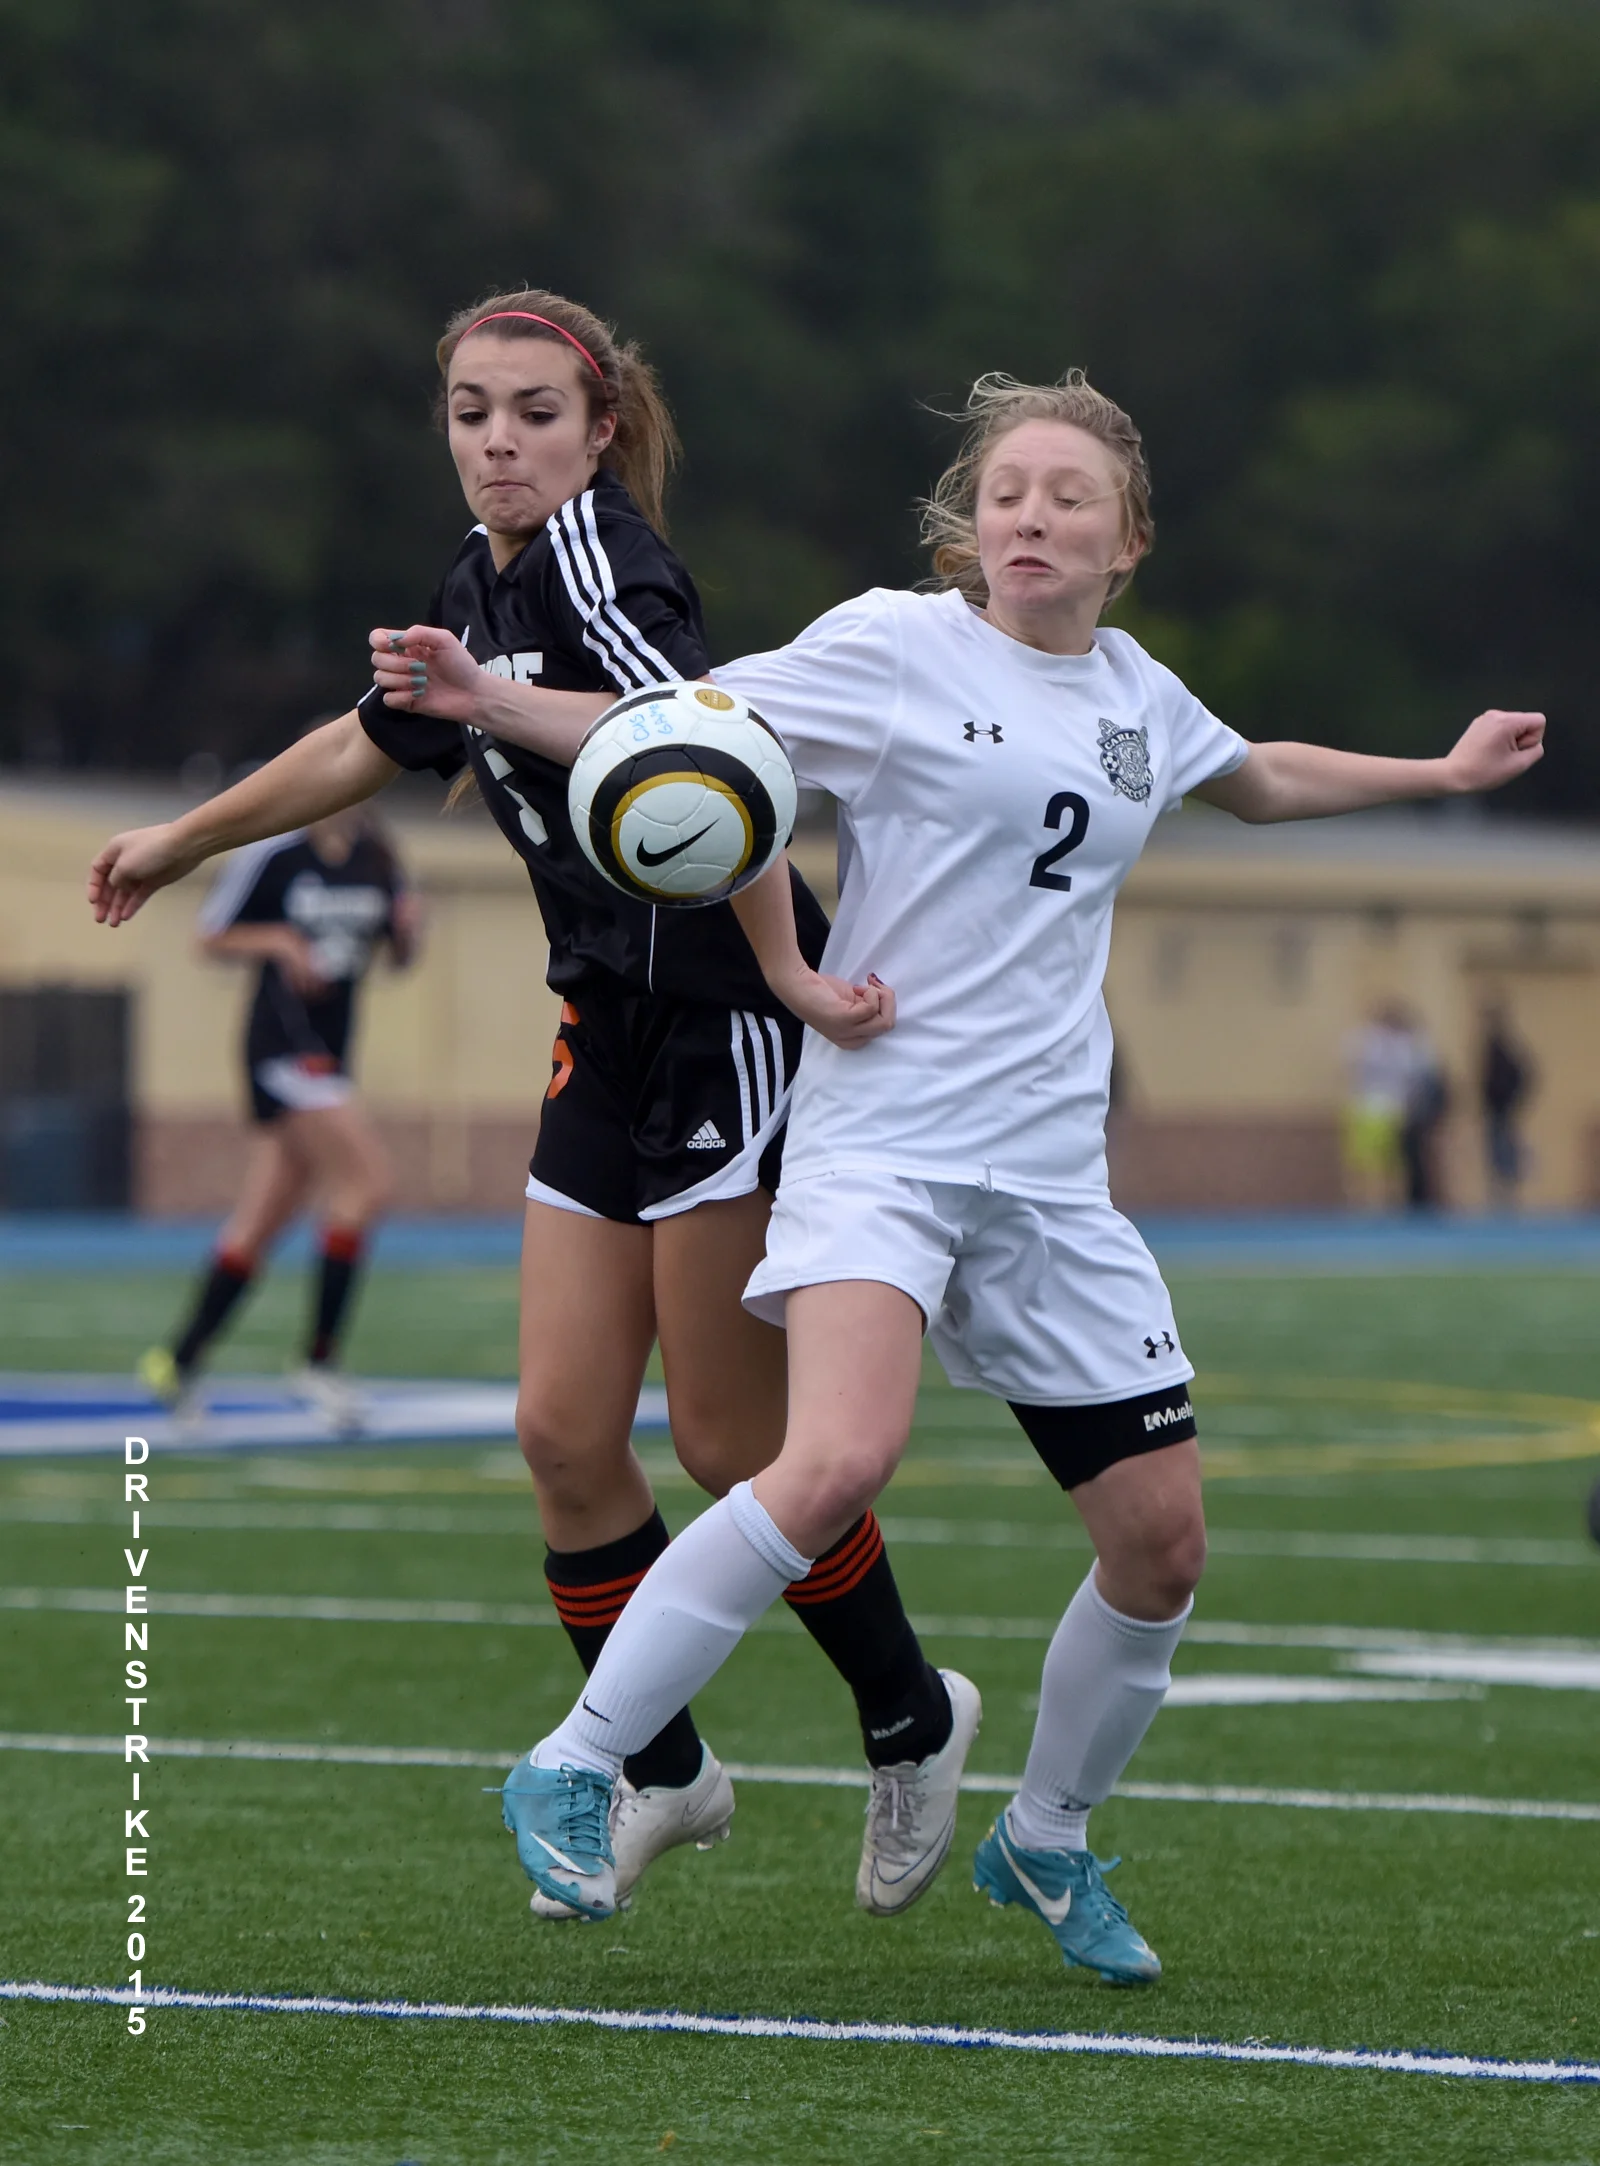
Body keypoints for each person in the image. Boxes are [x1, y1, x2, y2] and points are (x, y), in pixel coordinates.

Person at [425, 368, 1545, 1976]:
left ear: (1127, 539)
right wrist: (494, 699)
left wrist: (1436, 778)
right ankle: (580, 1759)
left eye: (1068, 496)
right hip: (884, 1142)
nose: (1031, 514)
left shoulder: (1142, 697)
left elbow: (1259, 776)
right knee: (833, 1460)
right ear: (973, 525)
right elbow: (685, 738)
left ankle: (1047, 1839)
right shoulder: (890, 646)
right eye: (1008, 490)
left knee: (1163, 1542)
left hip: (1048, 1181)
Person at [87, 288, 972, 1922]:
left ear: (599, 428)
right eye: (472, 412)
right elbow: (371, 741)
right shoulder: (479, 579)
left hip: (721, 1029)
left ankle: (913, 1719)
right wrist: (183, 839)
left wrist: (781, 974)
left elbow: (721, 750)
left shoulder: (603, 567)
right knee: (565, 1439)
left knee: (725, 1442)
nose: (497, 439)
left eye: (532, 413)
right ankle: (667, 1773)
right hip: (600, 1031)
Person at [138, 805, 416, 1430]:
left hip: (333, 1054)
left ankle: (177, 1361)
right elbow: (208, 934)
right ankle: (319, 1362)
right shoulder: (275, 856)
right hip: (282, 1050)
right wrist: (280, 941)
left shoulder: (382, 859)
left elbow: (398, 956)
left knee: (262, 1220)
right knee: (366, 1183)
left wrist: (406, 932)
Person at [1479, 1001, 1534, 1208]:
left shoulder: (1502, 1047)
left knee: (1503, 1149)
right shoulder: (1490, 1046)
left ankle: (1506, 1193)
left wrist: (1511, 1099)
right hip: (1495, 1108)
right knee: (1496, 1149)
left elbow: (1523, 1074)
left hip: (1502, 1108)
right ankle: (1500, 1192)